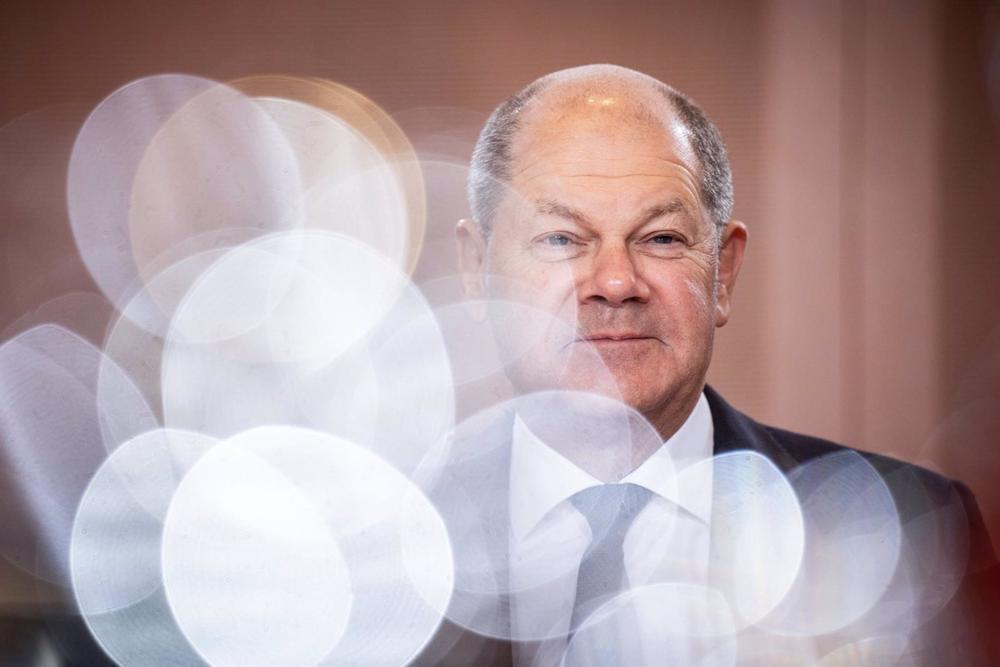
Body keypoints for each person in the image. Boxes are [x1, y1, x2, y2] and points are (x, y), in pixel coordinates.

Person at [414, 64, 998, 666]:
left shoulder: (915, 533)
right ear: (475, 270)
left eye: (661, 238)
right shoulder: (365, 544)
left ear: (723, 273)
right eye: (562, 239)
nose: (615, 282)